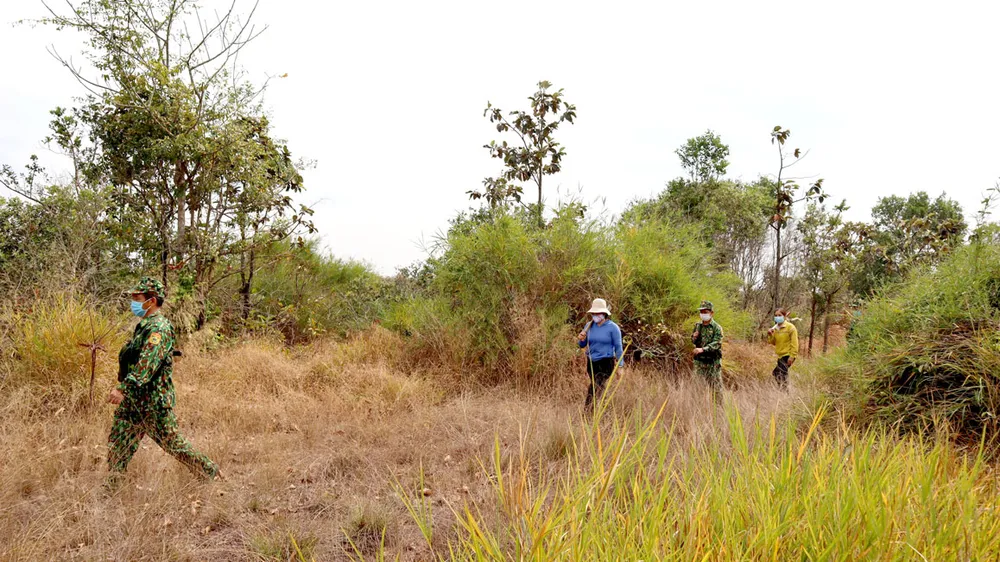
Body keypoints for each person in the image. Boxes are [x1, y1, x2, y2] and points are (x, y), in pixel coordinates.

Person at [105, 277, 219, 490]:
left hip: (153, 403)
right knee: (119, 441)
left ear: (152, 300)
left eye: (137, 298)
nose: (133, 302)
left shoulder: (159, 328)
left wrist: (123, 388)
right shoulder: (143, 326)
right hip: (134, 401)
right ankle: (112, 486)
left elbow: (147, 363)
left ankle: (208, 470)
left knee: (173, 444)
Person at [576, 298, 623, 409]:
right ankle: (604, 409)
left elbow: (618, 347)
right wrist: (581, 339)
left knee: (596, 385)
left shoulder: (613, 328)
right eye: (593, 313)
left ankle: (587, 412)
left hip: (606, 362)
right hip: (592, 362)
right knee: (599, 386)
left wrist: (620, 366)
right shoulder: (589, 326)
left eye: (597, 313)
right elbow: (582, 345)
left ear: (604, 313)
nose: (595, 315)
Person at [692, 300, 724, 400]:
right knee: (697, 387)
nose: (703, 314)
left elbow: (717, 343)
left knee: (716, 388)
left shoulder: (717, 328)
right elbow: (693, 341)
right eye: (701, 312)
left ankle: (719, 410)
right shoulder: (698, 326)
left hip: (713, 362)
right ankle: (698, 408)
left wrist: (703, 349)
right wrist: (694, 337)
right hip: (700, 362)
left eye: (705, 312)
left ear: (711, 313)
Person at [767, 307, 799, 390]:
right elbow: (772, 342)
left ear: (784, 316)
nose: (777, 317)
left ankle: (784, 392)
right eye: (776, 315)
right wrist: (770, 334)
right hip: (780, 355)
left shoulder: (790, 327)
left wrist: (792, 356)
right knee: (777, 373)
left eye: (779, 315)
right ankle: (783, 390)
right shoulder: (776, 328)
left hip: (788, 355)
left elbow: (795, 343)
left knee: (780, 373)